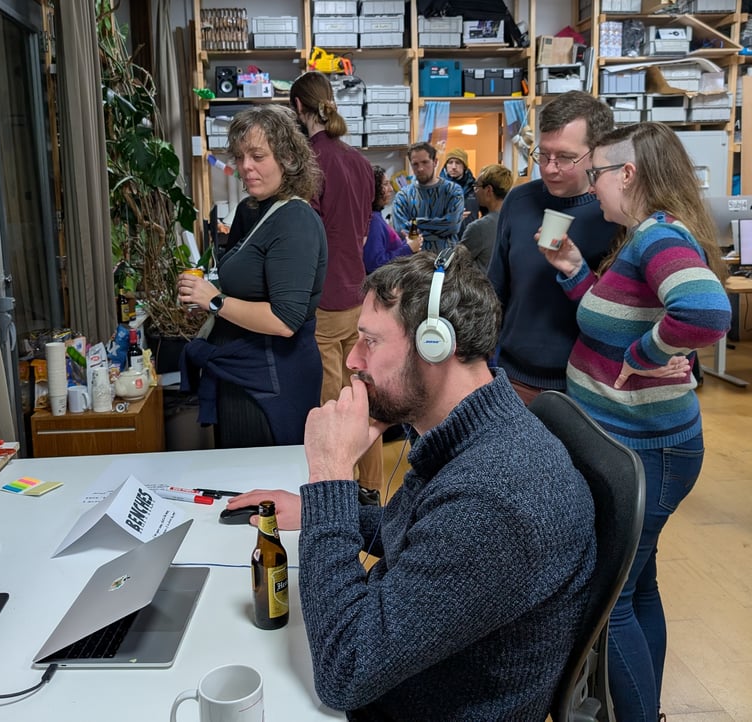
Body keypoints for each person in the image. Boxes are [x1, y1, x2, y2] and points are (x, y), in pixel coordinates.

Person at [228, 246, 596, 719]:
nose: (354, 361)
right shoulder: (473, 436)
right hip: (414, 674)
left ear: (434, 346)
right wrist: (325, 514)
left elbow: (345, 671)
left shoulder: (495, 498)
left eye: (370, 342)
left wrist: (330, 476)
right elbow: (431, 537)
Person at [540, 121, 731, 722]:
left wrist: (644, 355)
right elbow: (615, 315)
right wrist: (575, 273)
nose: (591, 187)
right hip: (638, 444)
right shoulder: (641, 238)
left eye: (596, 174)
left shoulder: (658, 237)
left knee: (612, 598)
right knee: (639, 582)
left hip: (649, 450)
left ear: (628, 174)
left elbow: (704, 310)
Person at [178, 104, 327, 448]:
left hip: (272, 384)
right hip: (244, 374)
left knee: (263, 490)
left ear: (287, 157)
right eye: (241, 156)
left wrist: (213, 300)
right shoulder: (256, 210)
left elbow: (283, 320)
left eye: (258, 156)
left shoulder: (294, 221)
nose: (245, 166)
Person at [487, 90, 619, 404]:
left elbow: (624, 314)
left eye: (564, 157)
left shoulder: (616, 213)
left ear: (598, 153)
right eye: (543, 155)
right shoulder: (518, 201)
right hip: (514, 378)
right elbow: (495, 289)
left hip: (589, 386)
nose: (549, 168)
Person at [290, 70, 384, 489]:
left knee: (332, 404)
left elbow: (307, 238)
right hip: (357, 294)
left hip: (324, 298)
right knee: (362, 397)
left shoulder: (309, 162)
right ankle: (372, 490)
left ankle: (336, 492)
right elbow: (363, 229)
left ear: (297, 108)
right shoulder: (360, 162)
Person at [392, 141, 464, 253]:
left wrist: (416, 223)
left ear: (435, 162)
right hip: (415, 264)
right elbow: (402, 231)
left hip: (447, 261)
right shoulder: (403, 196)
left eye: (425, 162)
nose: (420, 168)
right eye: (415, 164)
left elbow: (452, 226)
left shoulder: (453, 191)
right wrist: (440, 228)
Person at [363, 164, 420, 274]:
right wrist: (408, 249)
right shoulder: (373, 221)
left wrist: (407, 244)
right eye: (385, 184)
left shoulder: (377, 216)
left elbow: (389, 251)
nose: (391, 189)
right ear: (373, 188)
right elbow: (375, 264)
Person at [460, 163, 513, 272]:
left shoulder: (479, 228)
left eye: (477, 186)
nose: (475, 192)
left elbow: (456, 263)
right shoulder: (517, 219)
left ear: (488, 190)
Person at [439, 147, 480, 236]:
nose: (453, 167)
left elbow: (488, 213)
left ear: (464, 166)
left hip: (470, 238)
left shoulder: (475, 187)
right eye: (450, 162)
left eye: (458, 163)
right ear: (446, 166)